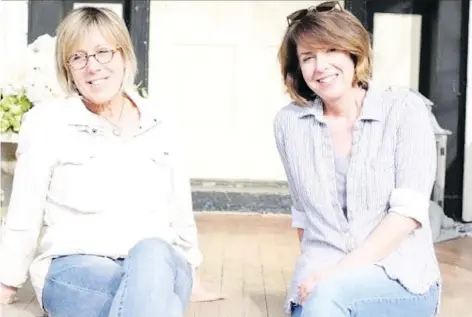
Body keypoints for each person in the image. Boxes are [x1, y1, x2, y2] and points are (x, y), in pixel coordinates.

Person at [0, 6, 202, 317]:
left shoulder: (162, 122)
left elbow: (180, 209)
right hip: (77, 267)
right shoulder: (47, 123)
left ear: (124, 55)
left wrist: (191, 268)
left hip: (160, 263)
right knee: (155, 298)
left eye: (103, 52)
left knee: (152, 254)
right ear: (67, 69)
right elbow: (24, 212)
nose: (92, 66)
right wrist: (7, 281)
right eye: (77, 57)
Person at [274, 2, 441, 317]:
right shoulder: (289, 124)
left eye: (330, 51)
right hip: (320, 279)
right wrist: (320, 271)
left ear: (354, 52)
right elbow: (303, 216)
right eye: (308, 58)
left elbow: (407, 215)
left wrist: (336, 275)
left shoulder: (404, 110)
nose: (320, 66)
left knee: (327, 298)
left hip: (397, 276)